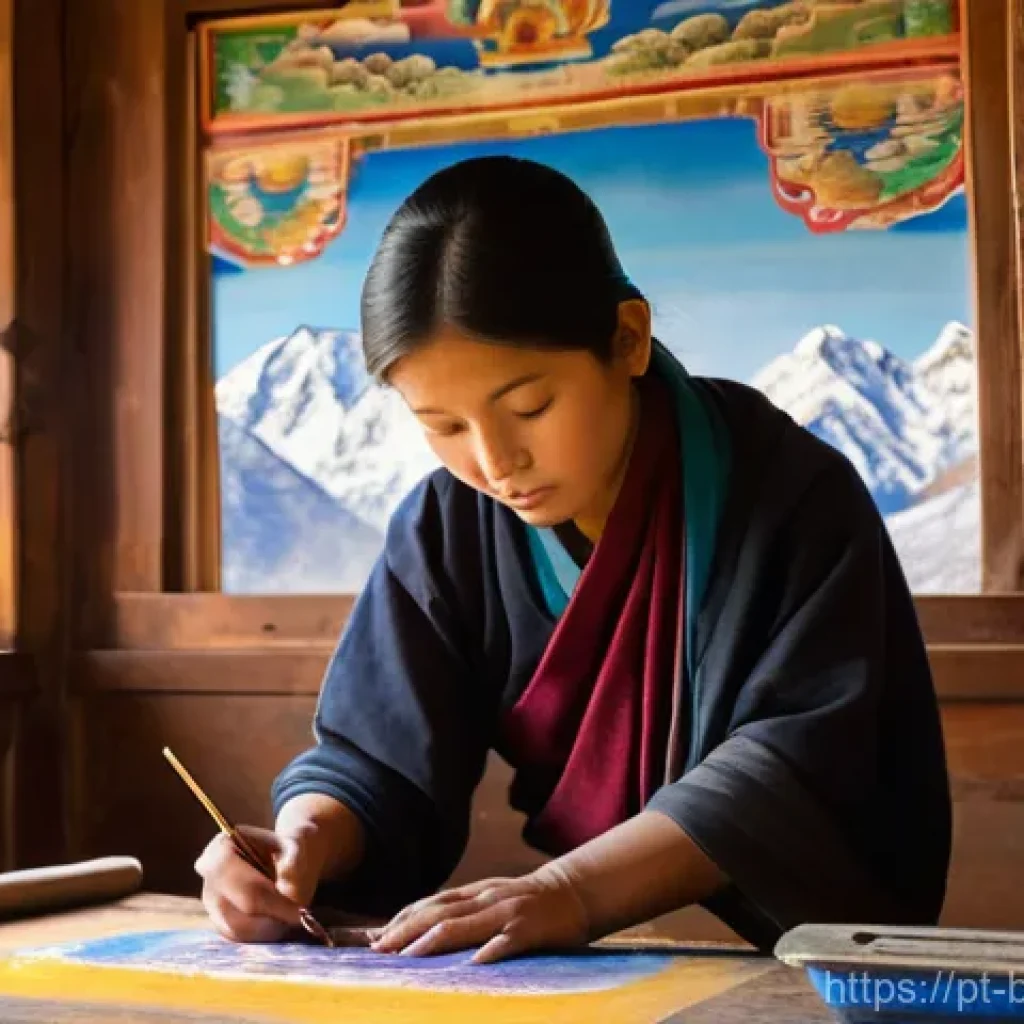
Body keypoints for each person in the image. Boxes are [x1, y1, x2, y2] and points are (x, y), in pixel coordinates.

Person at [195, 155, 952, 963]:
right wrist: (306, 837)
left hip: (813, 959)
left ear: (627, 338)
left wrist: (571, 892)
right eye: (443, 427)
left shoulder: (791, 493)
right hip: (598, 967)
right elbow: (376, 758)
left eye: (530, 406)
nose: (493, 461)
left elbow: (794, 764)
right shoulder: (450, 526)